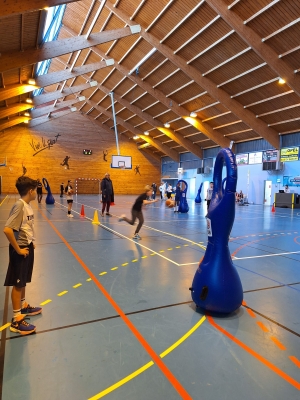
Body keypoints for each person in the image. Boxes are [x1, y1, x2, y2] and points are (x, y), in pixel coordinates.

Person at [3, 176, 42, 335]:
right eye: (36, 190)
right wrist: (18, 250)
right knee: (18, 283)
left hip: (27, 247)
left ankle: (23, 306)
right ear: (31, 191)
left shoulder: (27, 205)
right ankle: (16, 320)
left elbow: (25, 227)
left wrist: (30, 242)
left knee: (23, 280)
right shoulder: (19, 206)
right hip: (20, 250)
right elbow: (7, 229)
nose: (37, 192)